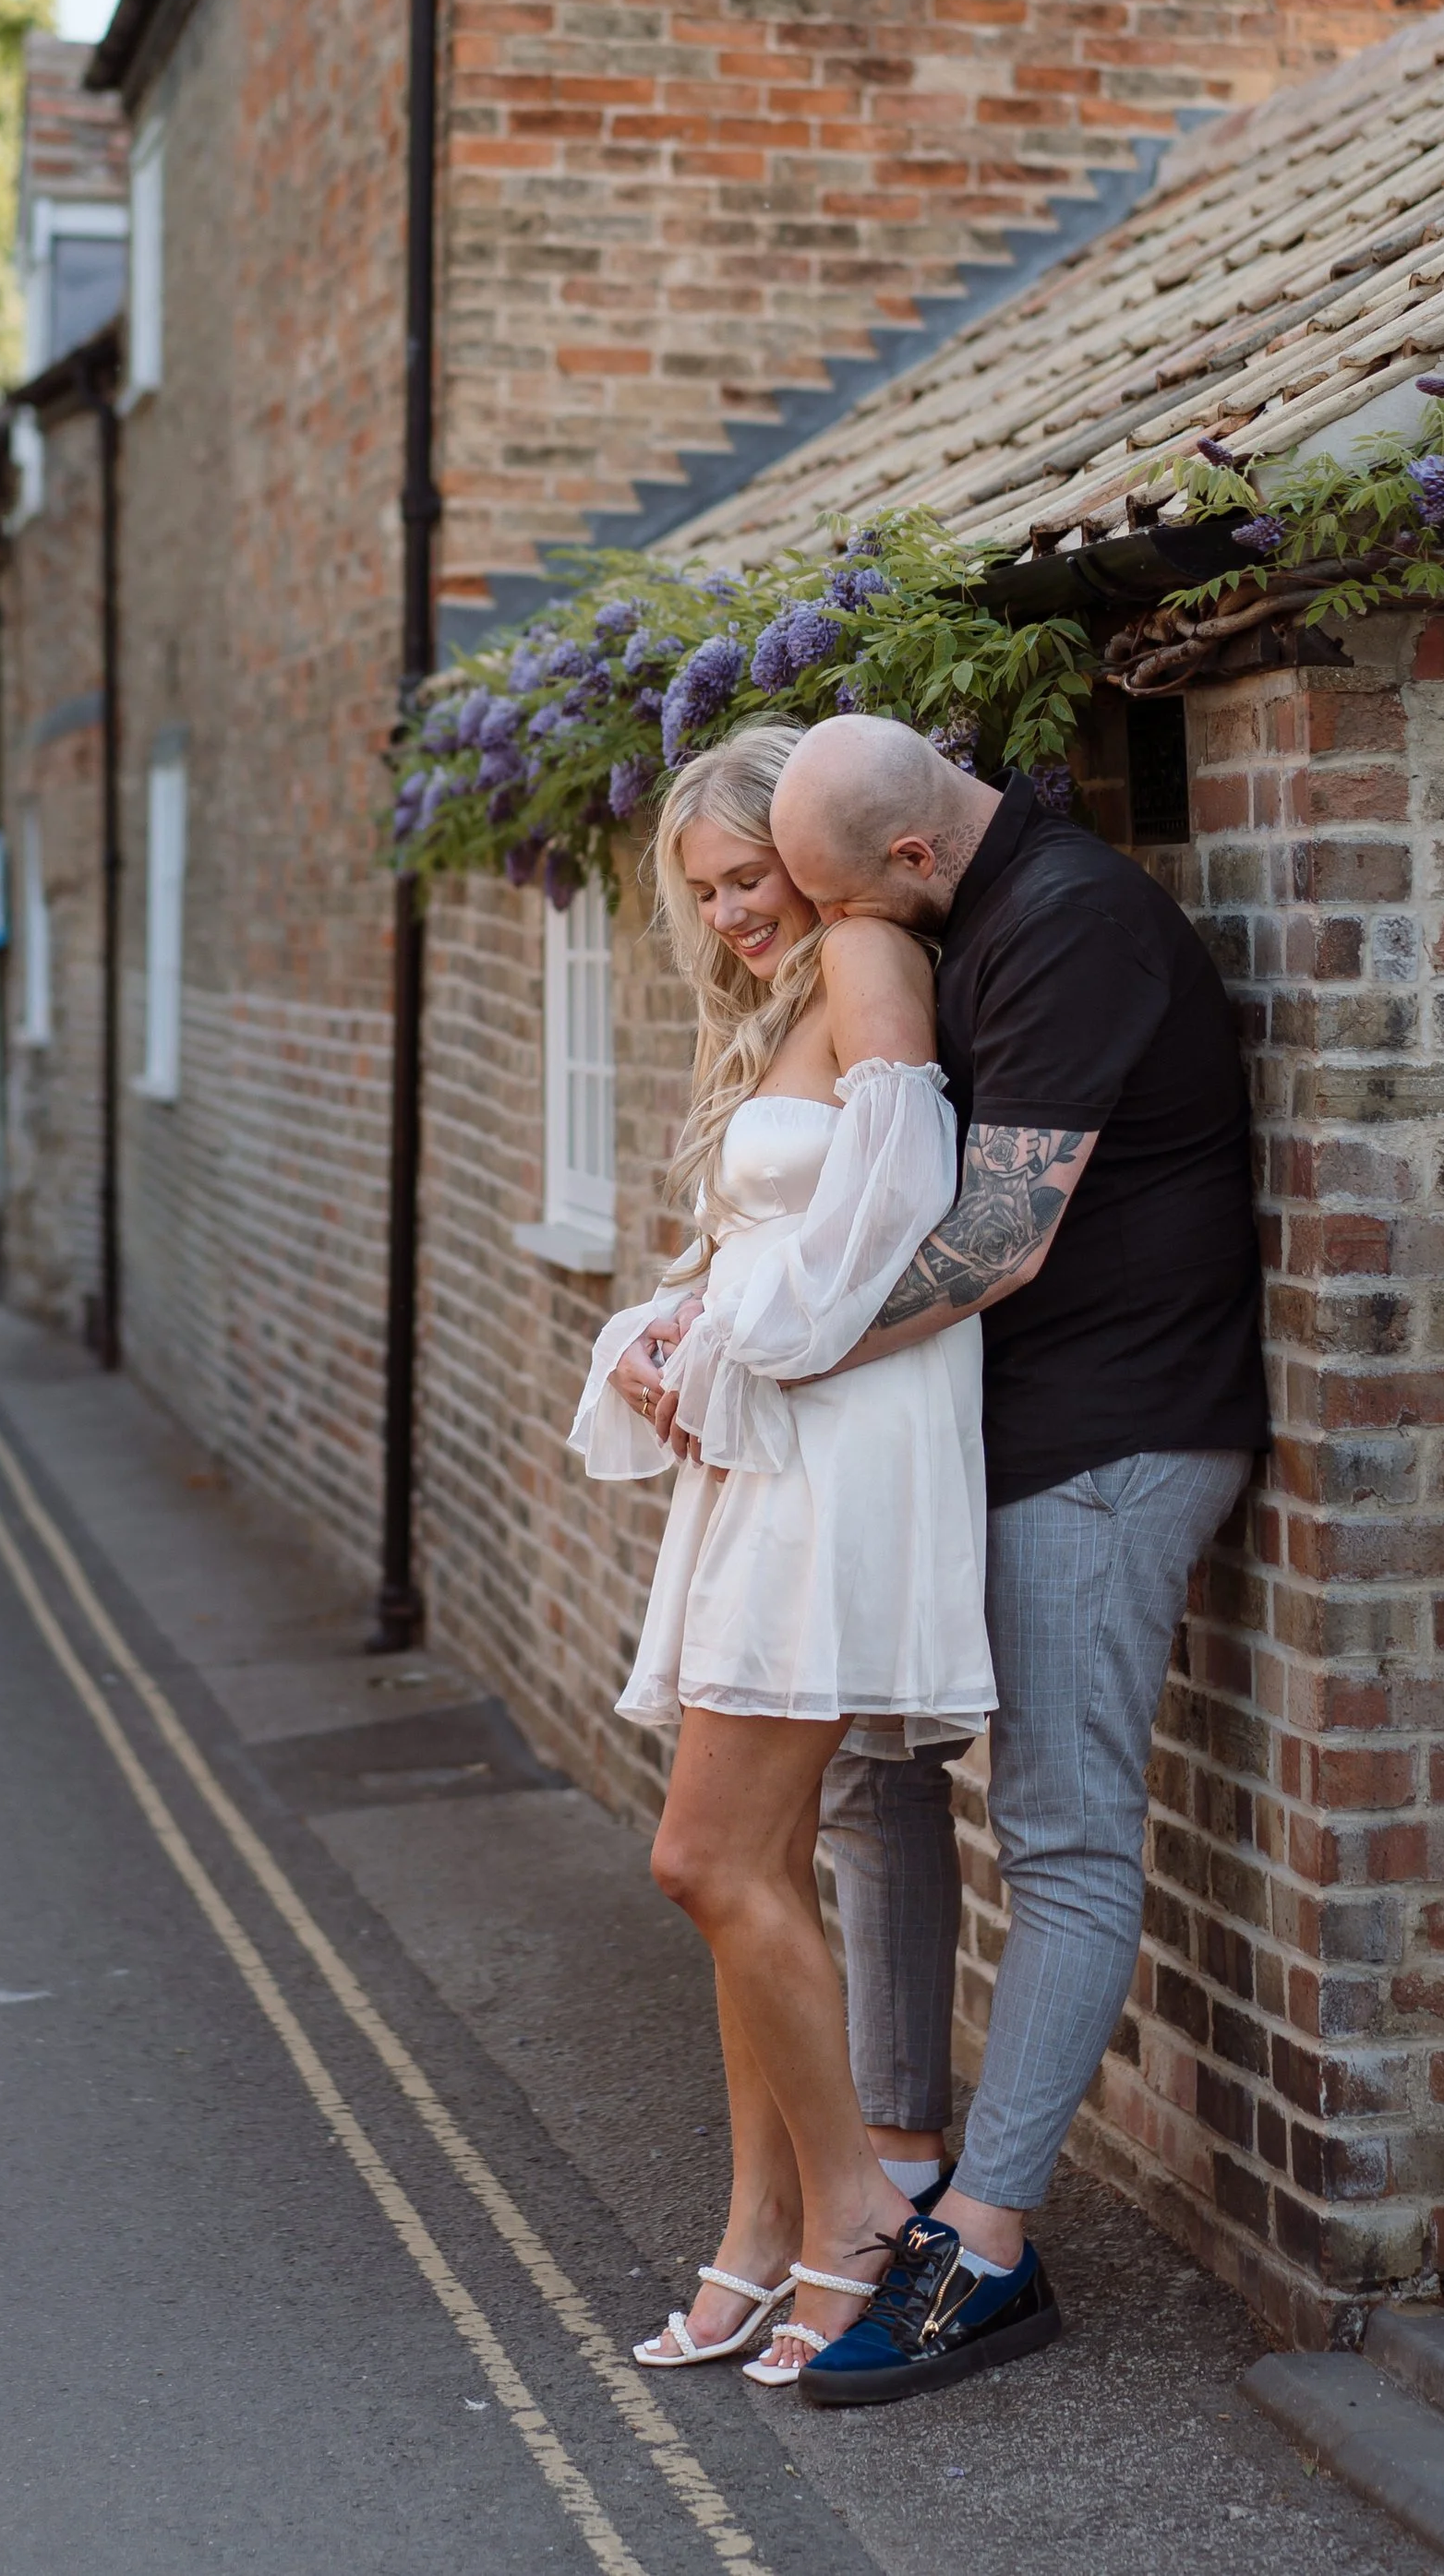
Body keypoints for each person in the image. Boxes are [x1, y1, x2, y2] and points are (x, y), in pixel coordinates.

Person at [709, 714, 1269, 2410]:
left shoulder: (1078, 925)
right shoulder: (976, 903)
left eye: (825, 901)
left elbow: (999, 1238)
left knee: (1069, 1834)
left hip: (1108, 1443)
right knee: (884, 1788)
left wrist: (775, 1349)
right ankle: (900, 2166)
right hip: (992, 1442)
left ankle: (993, 2248)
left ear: (917, 854)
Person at [573, 725, 996, 2387]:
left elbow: (902, 1215)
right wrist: (681, 1331)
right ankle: (761, 2227)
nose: (737, 910)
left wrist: (732, 1342)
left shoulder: (872, 953)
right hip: (778, 1441)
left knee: (708, 1859)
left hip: (848, 1444)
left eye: (750, 871)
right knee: (743, 1867)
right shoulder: (783, 995)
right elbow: (773, 1240)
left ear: (808, 847)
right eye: (708, 891)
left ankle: (855, 2217)